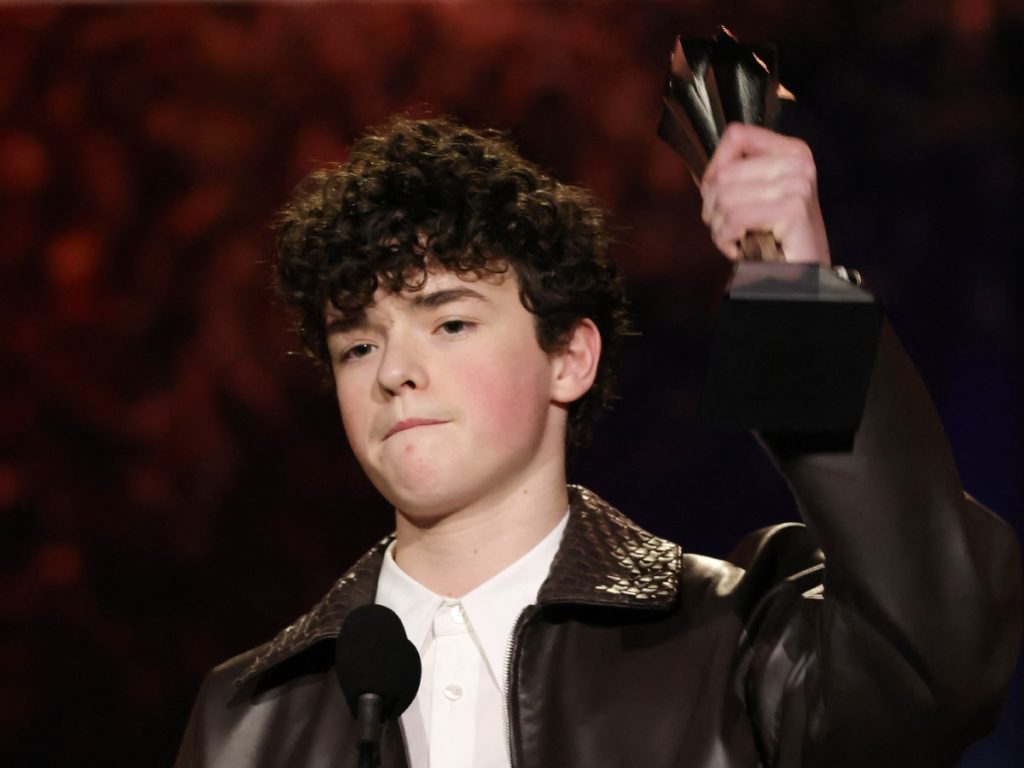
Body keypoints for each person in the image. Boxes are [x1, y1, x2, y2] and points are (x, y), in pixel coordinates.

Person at [174, 116, 1021, 767]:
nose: (394, 371)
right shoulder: (250, 717)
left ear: (570, 358)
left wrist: (800, 301)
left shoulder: (730, 641)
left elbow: (932, 663)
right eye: (358, 344)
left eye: (452, 322)